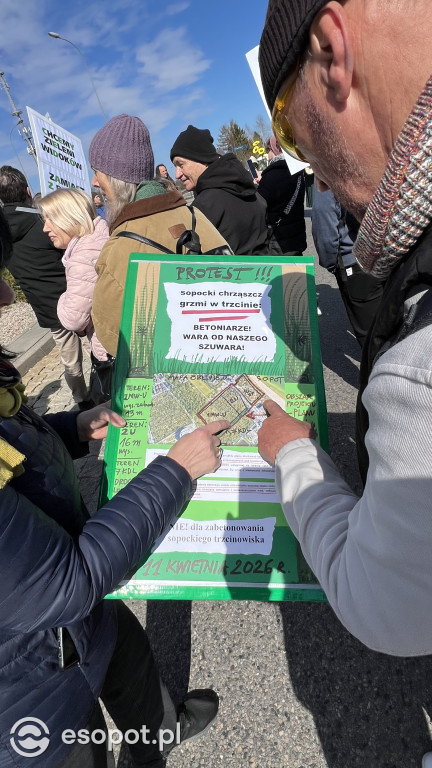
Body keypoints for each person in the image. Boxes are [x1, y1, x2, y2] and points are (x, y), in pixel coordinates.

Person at [0, 224, 228, 767]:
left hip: (71, 615)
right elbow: (69, 581)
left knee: (129, 659)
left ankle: (157, 735)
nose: (8, 295)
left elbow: (10, 447)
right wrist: (177, 470)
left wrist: (70, 428)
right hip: (31, 682)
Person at [257, 0, 432, 660]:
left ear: (331, 49)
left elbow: (384, 605)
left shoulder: (418, 373)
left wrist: (295, 456)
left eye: (301, 142)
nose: (320, 178)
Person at [89, 114, 230, 359]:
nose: (94, 182)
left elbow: (113, 336)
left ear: (115, 178)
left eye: (97, 173)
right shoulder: (195, 214)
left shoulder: (118, 250)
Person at [0, 166, 91, 408]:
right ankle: (109, 384)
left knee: (70, 360)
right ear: (28, 190)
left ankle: (82, 401)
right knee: (101, 346)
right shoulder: (43, 220)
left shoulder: (2, 234)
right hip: (77, 298)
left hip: (47, 308)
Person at [39, 188, 110, 404]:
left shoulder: (82, 256)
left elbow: (73, 318)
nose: (44, 229)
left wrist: (62, 298)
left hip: (109, 348)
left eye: (48, 220)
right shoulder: (99, 236)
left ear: (67, 216)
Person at [170, 125, 270, 255]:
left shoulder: (203, 206)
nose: (177, 174)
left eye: (180, 164)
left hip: (234, 274)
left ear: (202, 159)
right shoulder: (248, 186)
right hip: (266, 272)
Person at [312, 185, 384, 346]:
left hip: (355, 261)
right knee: (389, 322)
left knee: (369, 334)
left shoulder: (327, 175)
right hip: (387, 255)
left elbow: (323, 222)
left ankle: (379, 368)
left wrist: (331, 263)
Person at [257, 135, 306, 255]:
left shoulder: (273, 174)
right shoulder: (296, 171)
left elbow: (259, 205)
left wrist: (258, 185)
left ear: (274, 149)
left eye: (268, 150)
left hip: (279, 243)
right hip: (296, 238)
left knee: (284, 274)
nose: (268, 154)